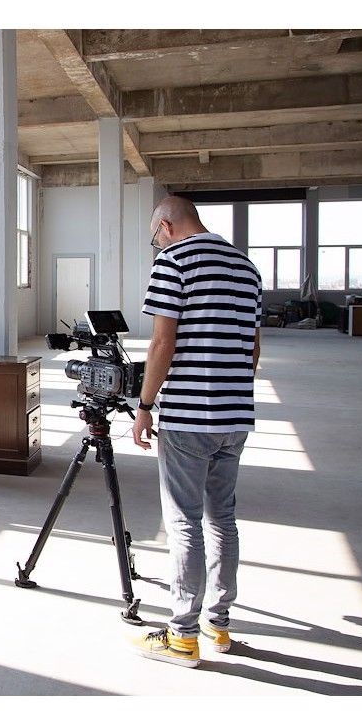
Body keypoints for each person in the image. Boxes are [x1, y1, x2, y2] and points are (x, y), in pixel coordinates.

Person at [131, 196, 262, 668]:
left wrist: (145, 406)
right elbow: (253, 347)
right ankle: (218, 624)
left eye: (155, 237)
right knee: (222, 519)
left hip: (188, 417)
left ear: (165, 226)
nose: (157, 245)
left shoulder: (173, 262)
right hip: (235, 416)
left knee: (184, 522)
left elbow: (162, 341)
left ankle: (182, 636)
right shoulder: (246, 268)